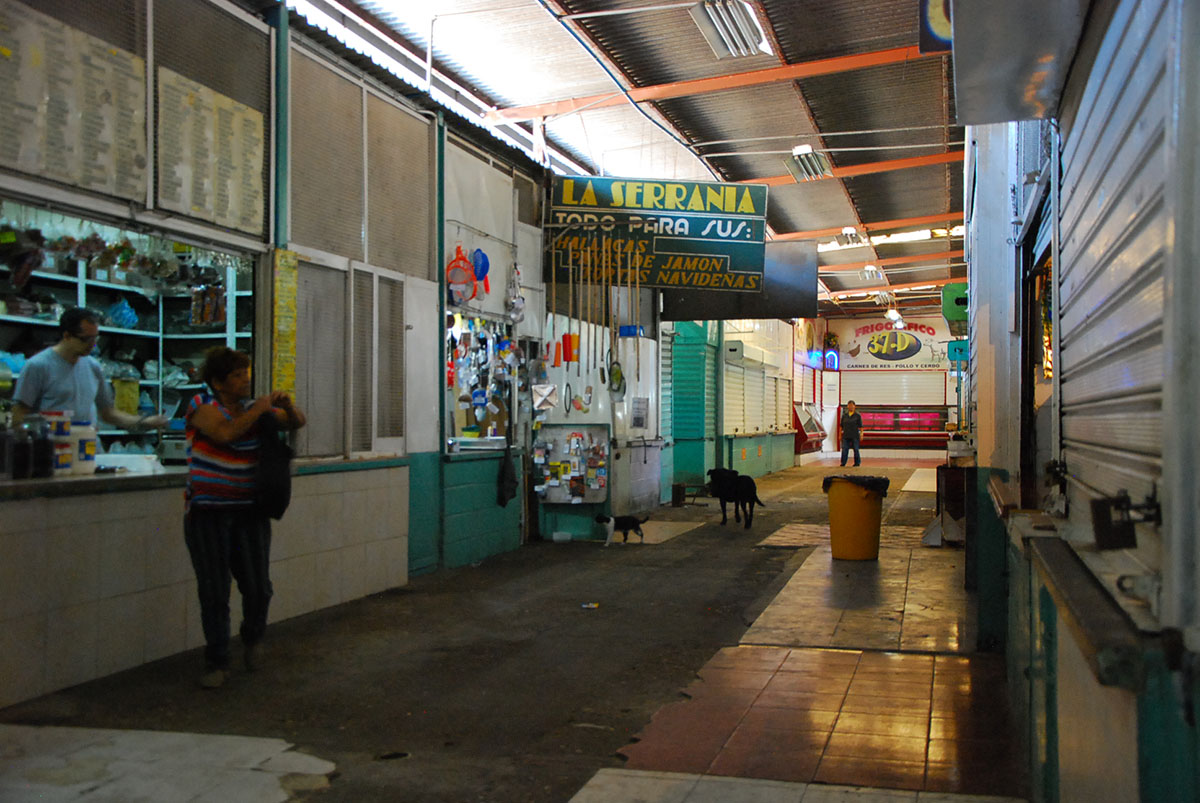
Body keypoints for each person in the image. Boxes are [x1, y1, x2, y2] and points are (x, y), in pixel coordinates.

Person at [184, 346, 306, 689]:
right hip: (208, 513)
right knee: (215, 590)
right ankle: (218, 661)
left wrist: (284, 407)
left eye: (246, 373)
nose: (245, 380)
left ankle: (252, 638)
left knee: (258, 587)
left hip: (249, 511)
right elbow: (225, 433)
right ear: (218, 382)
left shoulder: (255, 410)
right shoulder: (201, 407)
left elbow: (296, 421)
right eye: (237, 375)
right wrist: (261, 410)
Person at [12, 307, 169, 432]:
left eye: (95, 338)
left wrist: (144, 421)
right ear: (66, 336)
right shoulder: (38, 366)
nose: (92, 345)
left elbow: (108, 413)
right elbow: (19, 415)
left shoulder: (93, 366)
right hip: (52, 452)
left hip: (87, 448)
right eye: (86, 339)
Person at [840, 399, 863, 467]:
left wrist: (861, 434)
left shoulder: (857, 415)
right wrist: (840, 435)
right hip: (846, 435)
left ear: (854, 406)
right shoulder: (844, 415)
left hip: (855, 435)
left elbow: (861, 426)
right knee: (844, 449)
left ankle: (857, 463)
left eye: (852, 406)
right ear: (847, 406)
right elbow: (841, 426)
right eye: (849, 405)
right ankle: (843, 462)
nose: (851, 407)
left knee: (856, 449)